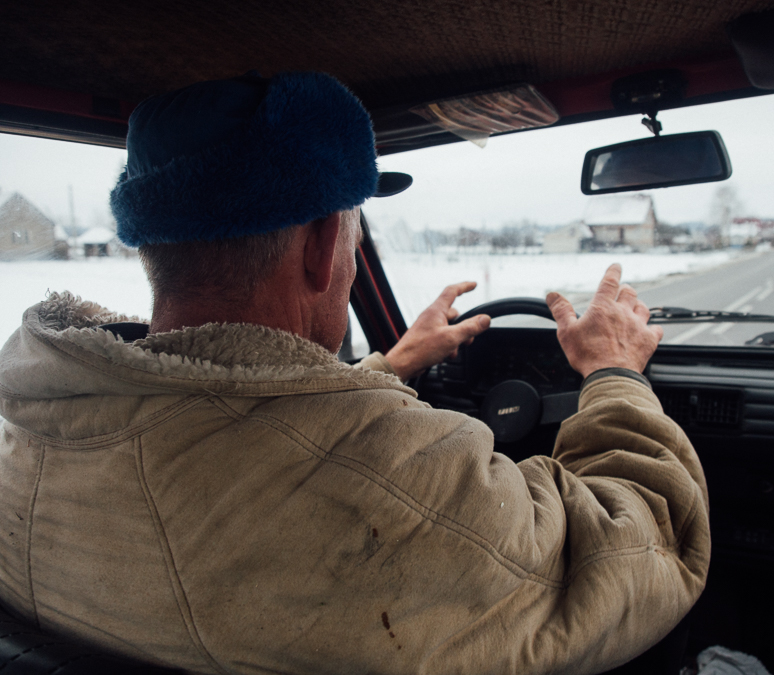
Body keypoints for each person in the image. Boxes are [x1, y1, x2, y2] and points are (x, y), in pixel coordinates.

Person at [0, 72, 710, 675]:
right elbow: (646, 545)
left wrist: (387, 368)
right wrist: (615, 373)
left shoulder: (33, 428)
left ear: (151, 247)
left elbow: (239, 423)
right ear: (322, 246)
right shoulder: (403, 483)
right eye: (353, 233)